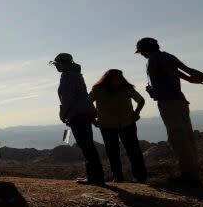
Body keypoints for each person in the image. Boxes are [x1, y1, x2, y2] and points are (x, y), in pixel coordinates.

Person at [136, 37, 203, 187]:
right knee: (187, 138)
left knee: (178, 139)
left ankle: (189, 178)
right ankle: (192, 174)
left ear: (147, 48)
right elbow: (187, 73)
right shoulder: (167, 56)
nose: (141, 54)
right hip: (180, 102)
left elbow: (184, 74)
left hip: (169, 103)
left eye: (141, 51)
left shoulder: (154, 59)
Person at [51, 53, 104, 185]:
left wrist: (63, 114)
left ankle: (95, 178)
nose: (56, 66)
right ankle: (95, 176)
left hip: (77, 115)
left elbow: (68, 98)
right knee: (88, 145)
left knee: (86, 146)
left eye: (57, 64)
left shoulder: (67, 76)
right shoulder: (76, 74)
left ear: (64, 63)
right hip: (84, 113)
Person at [89, 69, 148, 183]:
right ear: (109, 78)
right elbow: (87, 102)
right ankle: (118, 177)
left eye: (120, 77)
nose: (120, 79)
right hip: (107, 125)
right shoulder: (98, 89)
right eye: (117, 78)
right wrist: (93, 119)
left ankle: (140, 177)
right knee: (113, 152)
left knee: (133, 150)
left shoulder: (127, 88)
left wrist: (136, 113)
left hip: (127, 123)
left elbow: (141, 100)